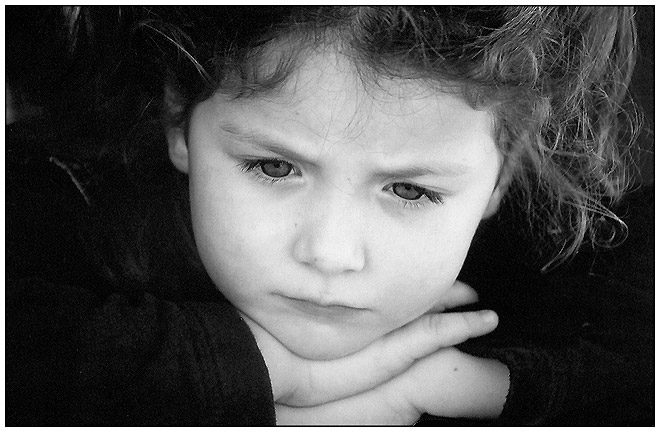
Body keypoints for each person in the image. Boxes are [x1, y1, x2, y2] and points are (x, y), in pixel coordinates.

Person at [6, 6, 653, 425]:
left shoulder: (570, 245)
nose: (331, 253)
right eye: (274, 167)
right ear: (181, 121)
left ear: (503, 173)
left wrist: (478, 388)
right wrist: (274, 374)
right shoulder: (57, 202)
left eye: (409, 190)